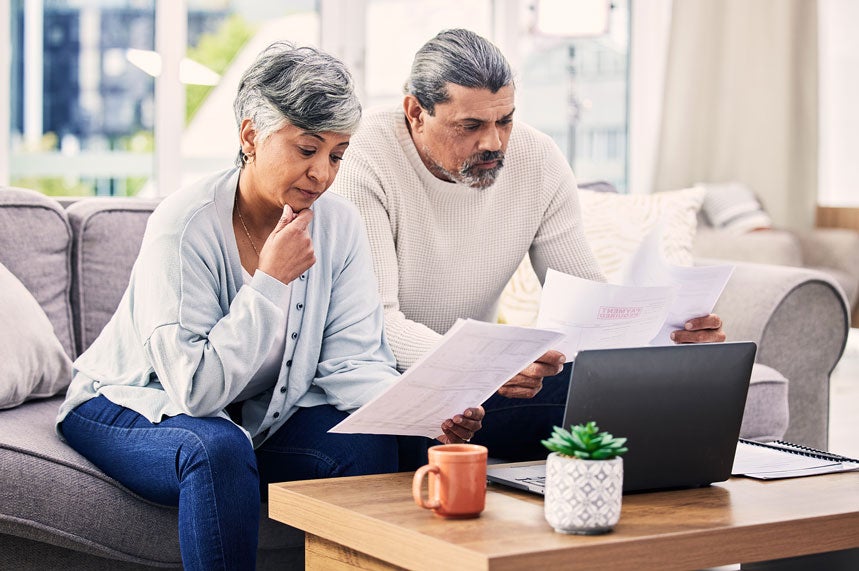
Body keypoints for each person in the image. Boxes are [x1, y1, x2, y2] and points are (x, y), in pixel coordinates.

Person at [56, 42, 483, 571]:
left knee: (371, 444)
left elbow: (353, 363)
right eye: (306, 150)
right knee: (216, 449)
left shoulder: (339, 225)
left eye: (337, 155)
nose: (322, 174)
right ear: (250, 136)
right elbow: (195, 391)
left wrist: (423, 411)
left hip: (251, 415)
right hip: (132, 400)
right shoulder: (183, 225)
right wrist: (270, 281)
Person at [330, 28, 724, 461]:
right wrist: (488, 364)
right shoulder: (361, 157)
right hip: (389, 381)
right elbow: (378, 325)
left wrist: (667, 338)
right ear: (415, 113)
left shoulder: (538, 159)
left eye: (505, 120)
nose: (494, 143)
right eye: (470, 126)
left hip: (483, 385)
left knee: (624, 395)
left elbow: (587, 303)